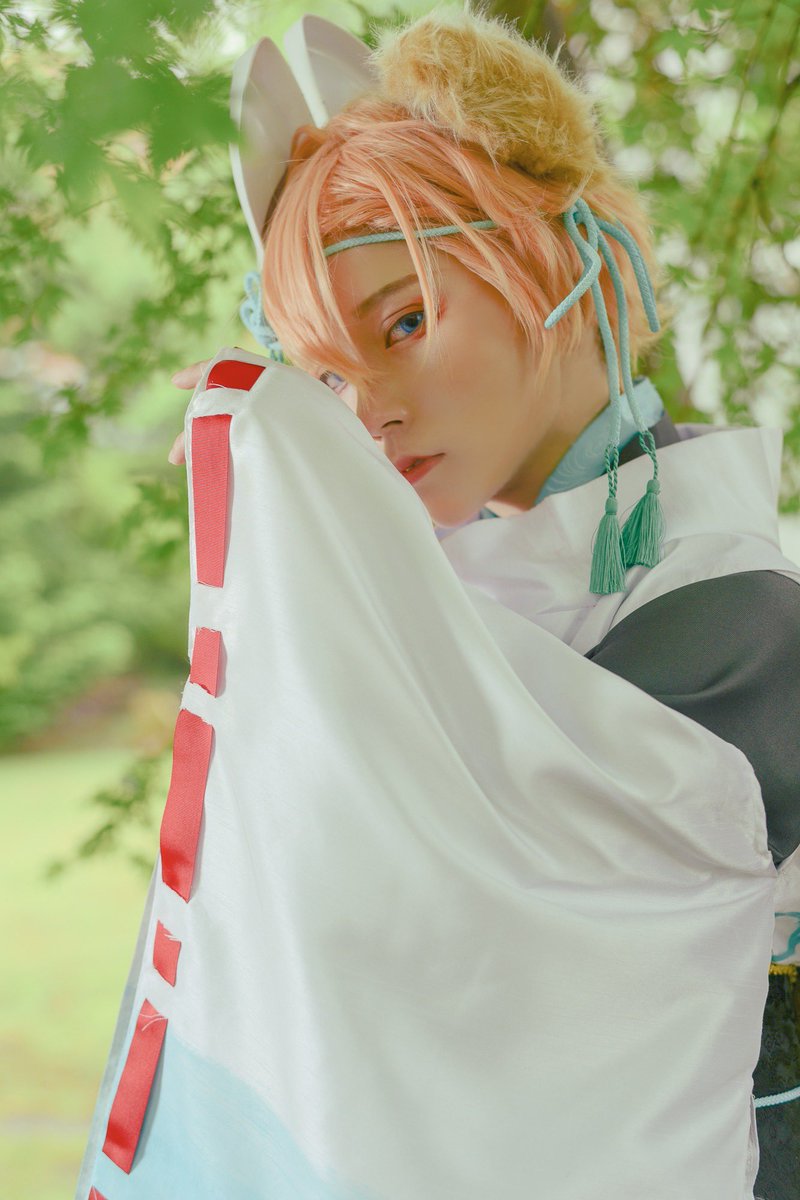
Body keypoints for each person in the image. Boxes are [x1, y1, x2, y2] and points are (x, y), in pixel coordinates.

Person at [81, 6, 800, 1198]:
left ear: (561, 257)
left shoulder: (740, 625)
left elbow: (502, 905)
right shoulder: (437, 595)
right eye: (325, 381)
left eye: (405, 324)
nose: (369, 414)